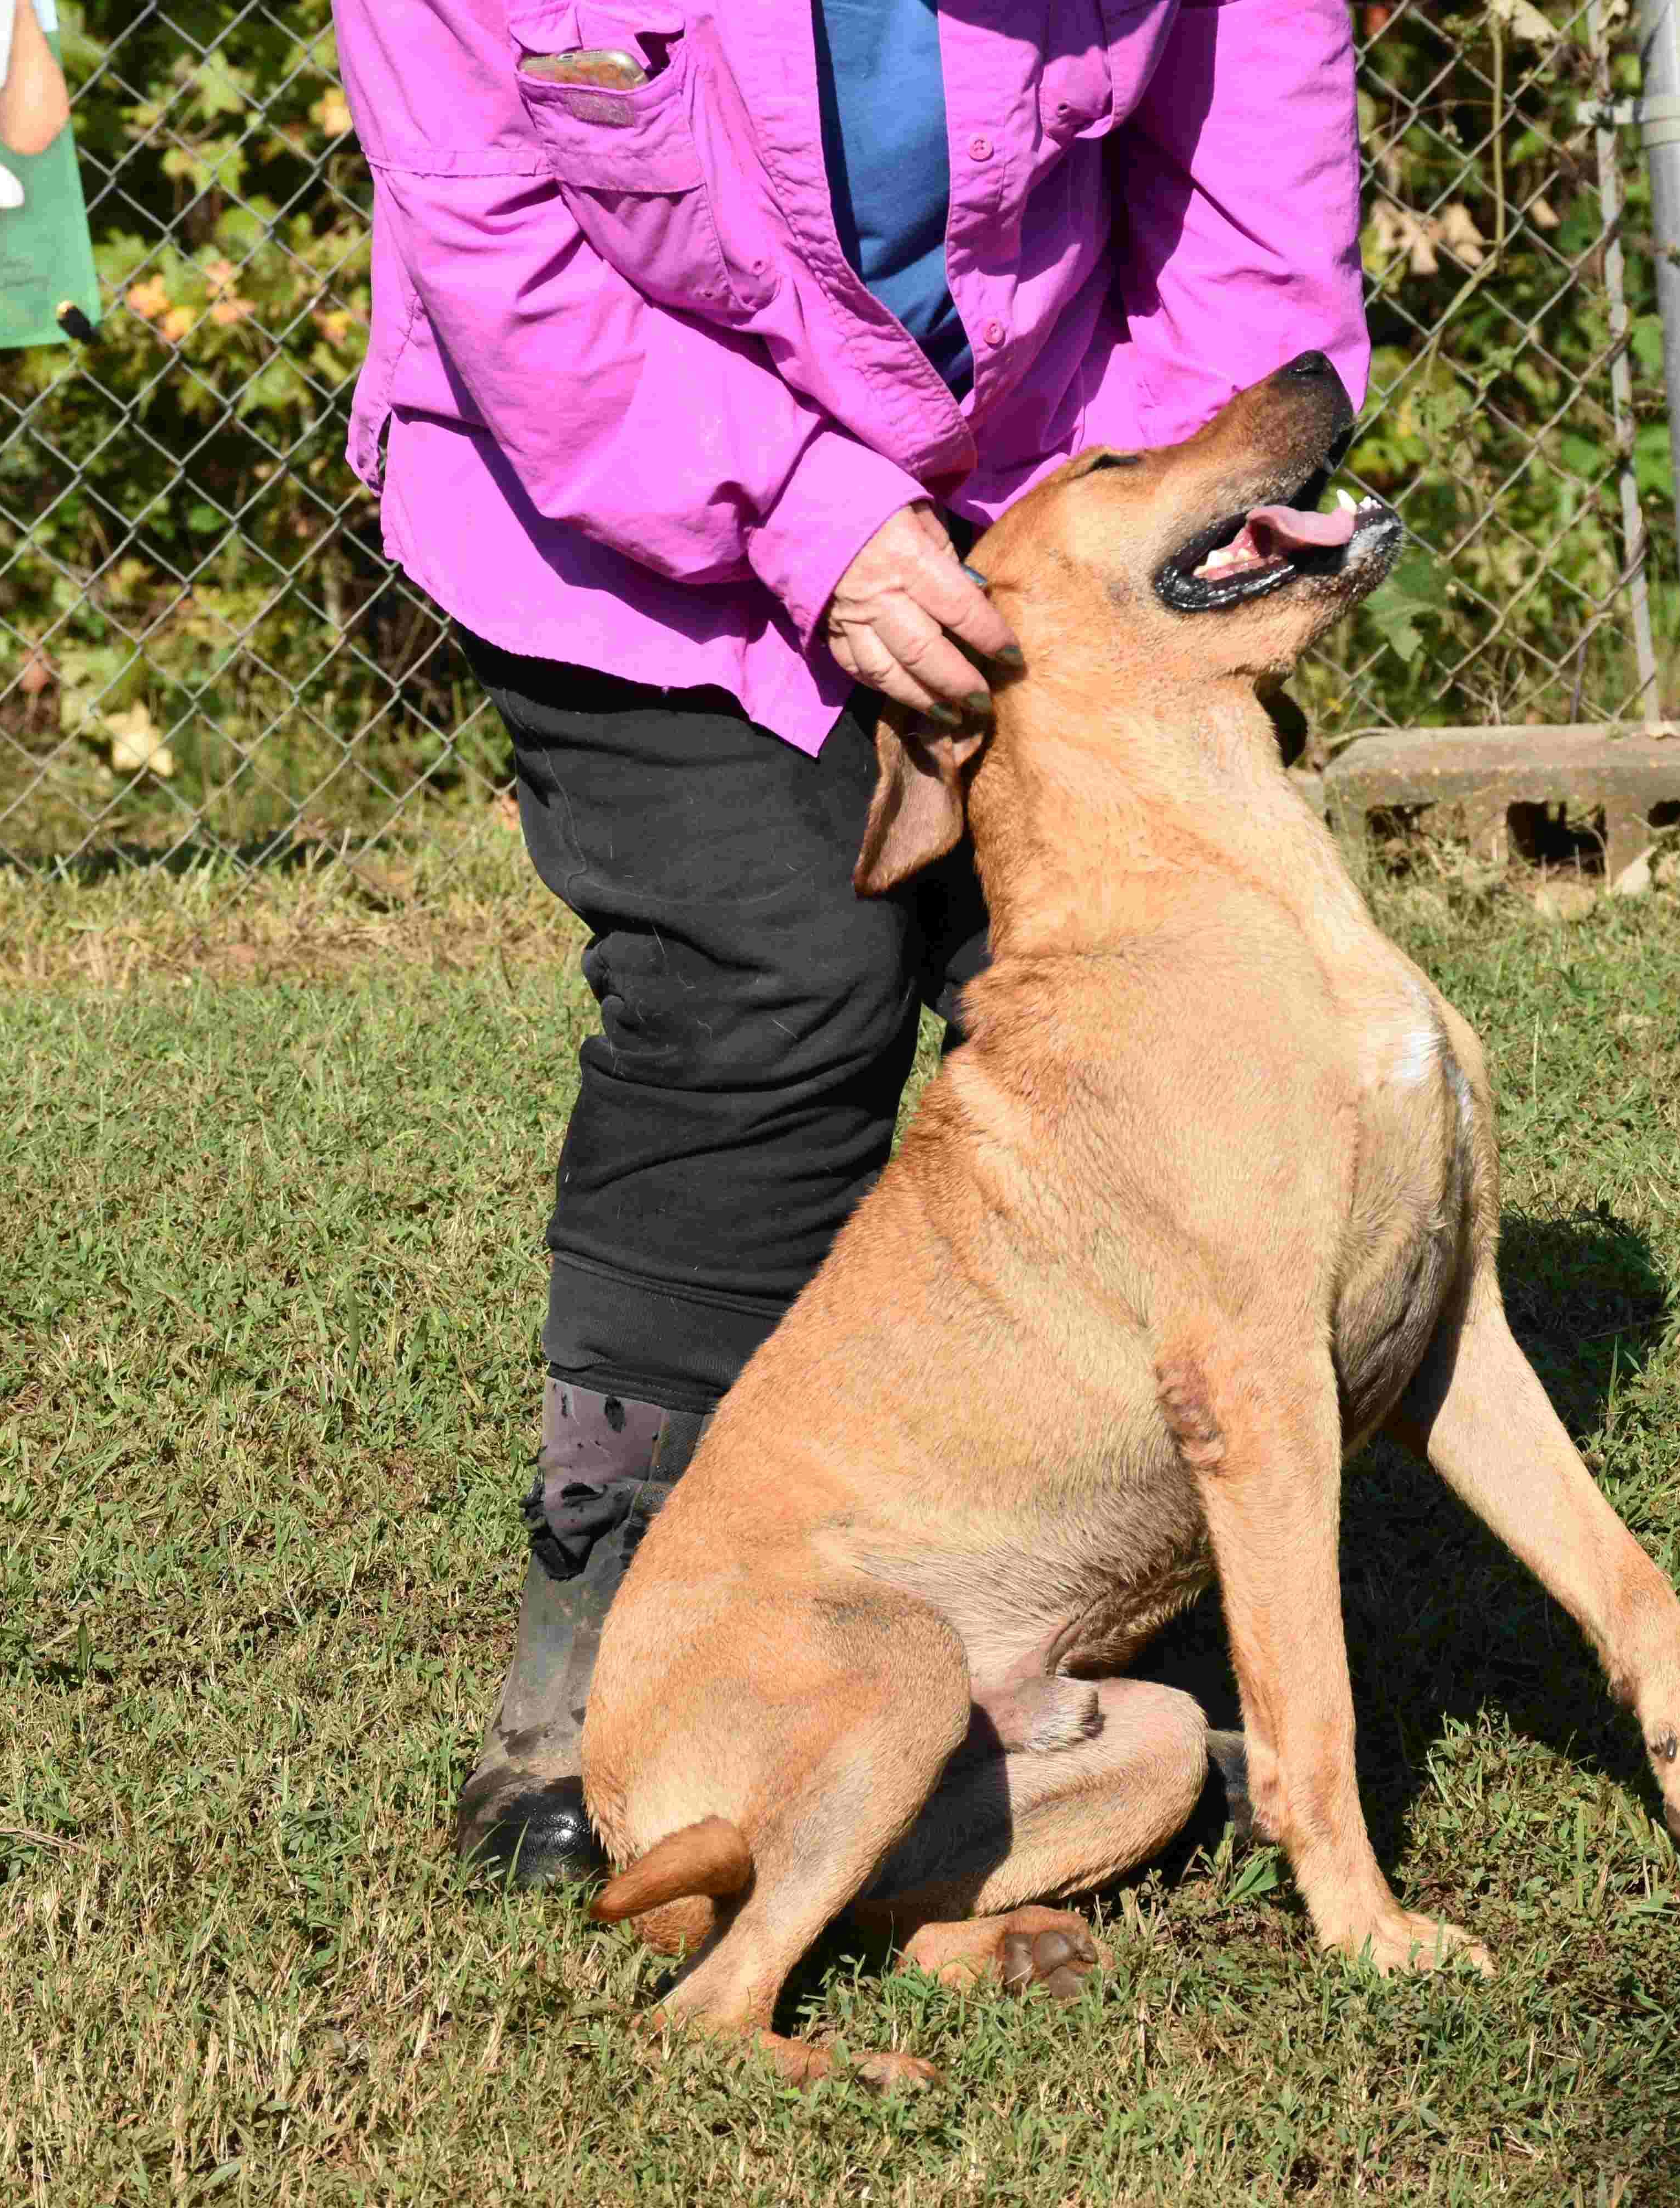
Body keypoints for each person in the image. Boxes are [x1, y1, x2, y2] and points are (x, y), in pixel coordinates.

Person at [330, 0, 1368, 1887]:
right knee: (767, 985)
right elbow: (504, 258)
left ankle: (1107, 1612)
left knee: (1132, 999)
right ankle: (627, 1641)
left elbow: (1245, 226)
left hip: (1053, 471)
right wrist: (818, 518)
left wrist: (1121, 553)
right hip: (611, 497)